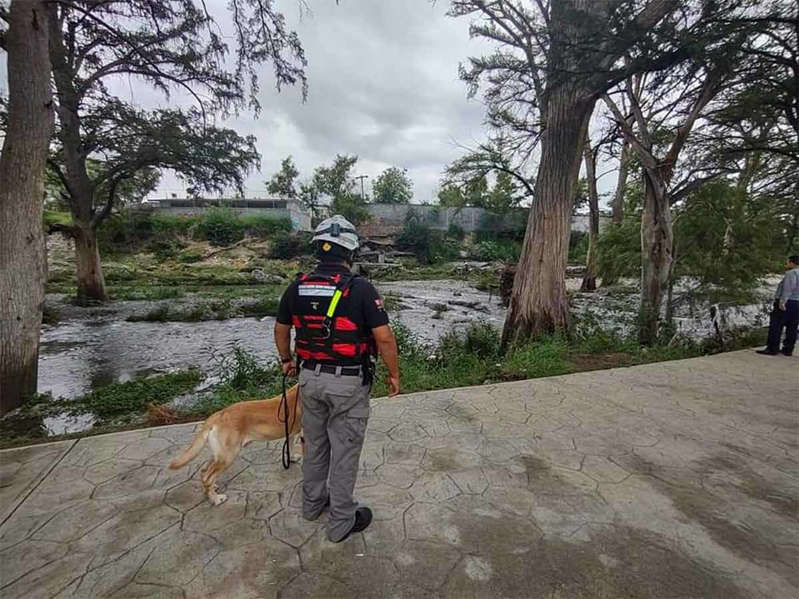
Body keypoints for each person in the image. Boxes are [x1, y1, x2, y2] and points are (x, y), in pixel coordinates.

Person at [274, 214, 401, 542]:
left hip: (309, 381)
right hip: (347, 383)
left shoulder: (297, 285)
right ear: (350, 253)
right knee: (344, 451)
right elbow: (384, 338)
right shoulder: (360, 289)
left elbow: (281, 328)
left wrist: (287, 360)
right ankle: (342, 521)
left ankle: (312, 505)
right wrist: (394, 374)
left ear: (319, 250)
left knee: (315, 445)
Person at [757, 255, 799, 356]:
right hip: (798, 302)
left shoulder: (791, 273)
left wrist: (782, 301)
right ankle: (788, 349)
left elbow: (788, 288)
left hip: (788, 301)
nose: (786, 264)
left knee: (776, 324)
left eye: (788, 262)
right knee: (792, 326)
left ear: (792, 263)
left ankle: (772, 348)